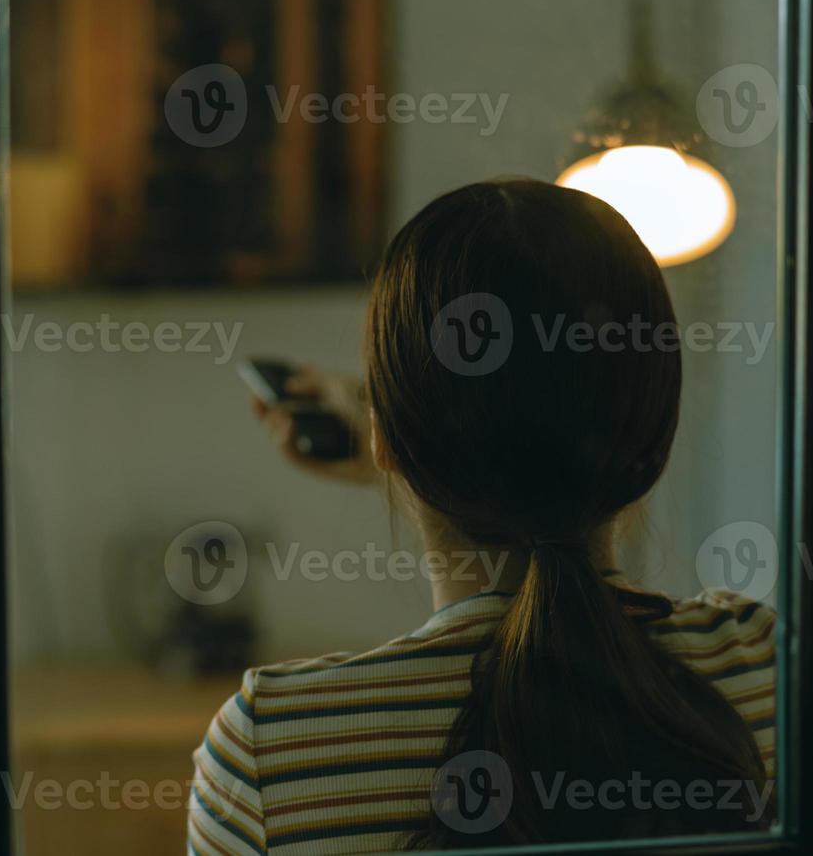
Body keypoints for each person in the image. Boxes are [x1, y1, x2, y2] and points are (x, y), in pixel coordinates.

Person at [186, 178, 775, 854]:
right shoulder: (763, 667)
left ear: (383, 439)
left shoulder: (269, 754)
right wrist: (404, 439)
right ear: (651, 436)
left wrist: (410, 449)